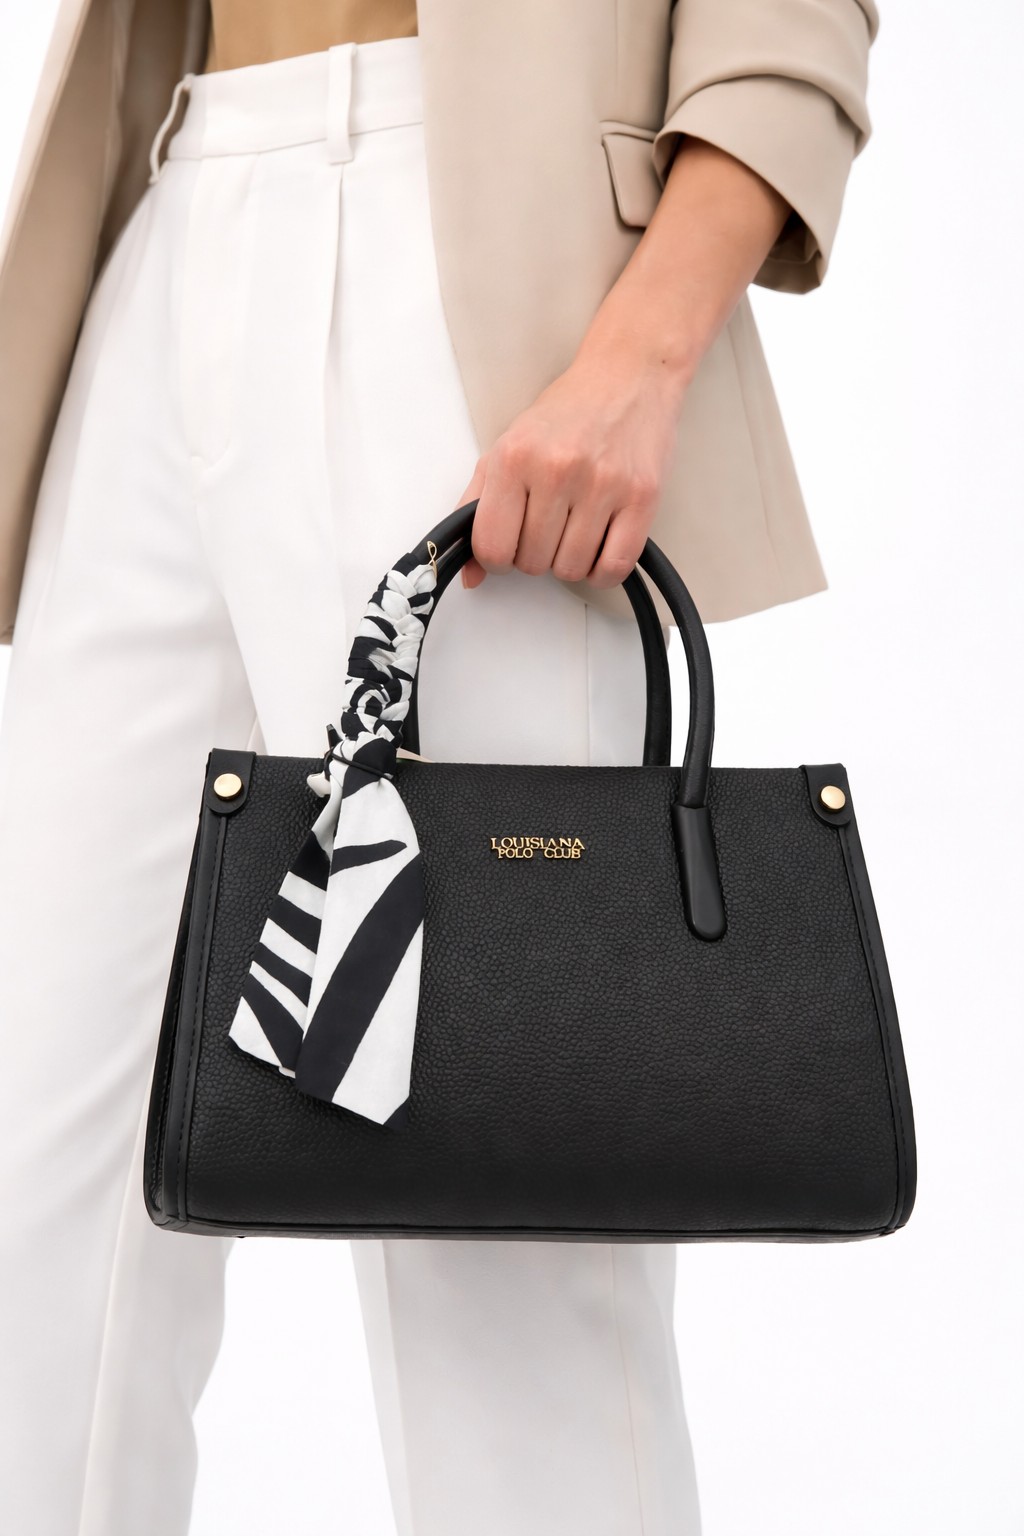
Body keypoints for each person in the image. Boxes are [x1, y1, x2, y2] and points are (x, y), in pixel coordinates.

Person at [0, 2, 878, 1532]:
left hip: (476, 279)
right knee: (45, 1204)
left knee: (500, 1218)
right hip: (163, 222)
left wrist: (642, 349)